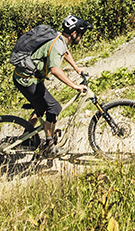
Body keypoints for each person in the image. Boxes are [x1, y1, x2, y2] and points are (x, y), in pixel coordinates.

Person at [12, 14, 91, 156]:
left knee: (41, 108)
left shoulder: (59, 37)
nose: (81, 37)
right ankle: (49, 146)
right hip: (27, 80)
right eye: (80, 34)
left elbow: (65, 52)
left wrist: (76, 68)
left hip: (29, 77)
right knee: (54, 107)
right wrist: (74, 86)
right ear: (74, 33)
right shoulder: (57, 44)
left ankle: (26, 137)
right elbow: (55, 70)